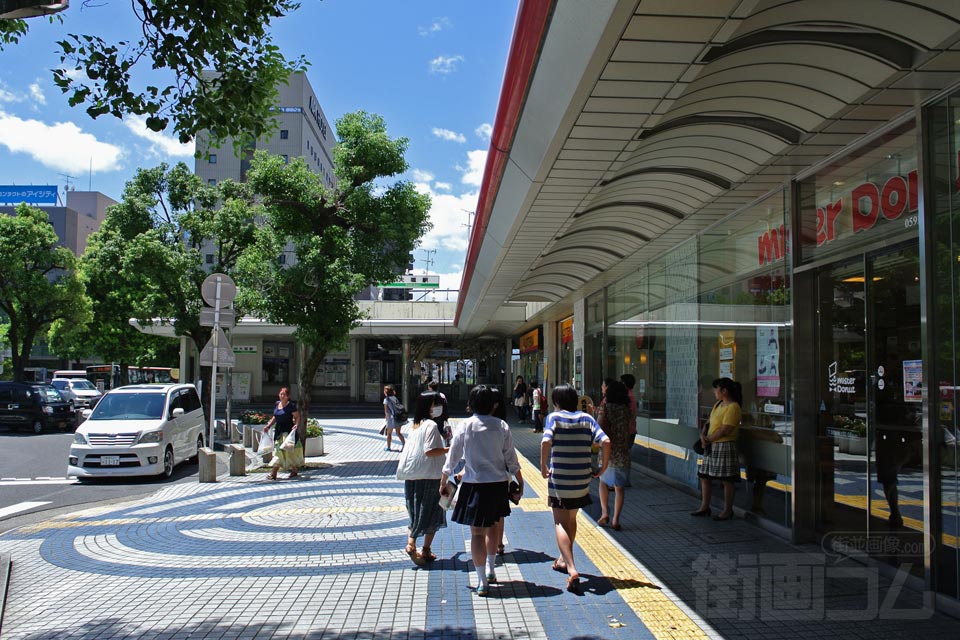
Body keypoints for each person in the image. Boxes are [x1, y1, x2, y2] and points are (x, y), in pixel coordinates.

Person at [441, 385, 523, 597]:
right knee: (494, 526)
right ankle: (491, 568)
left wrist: (444, 479)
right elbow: (511, 458)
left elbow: (453, 456)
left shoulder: (465, 425)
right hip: (497, 485)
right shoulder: (501, 426)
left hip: (473, 485)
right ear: (493, 404)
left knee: (477, 532)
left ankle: (481, 580)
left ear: (471, 404)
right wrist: (519, 481)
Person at [541, 383, 610, 595]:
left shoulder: (554, 417)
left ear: (557, 402)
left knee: (560, 522)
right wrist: (602, 468)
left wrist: (544, 466)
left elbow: (546, 440)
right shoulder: (587, 418)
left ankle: (571, 569)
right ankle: (563, 559)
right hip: (582, 479)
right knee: (571, 519)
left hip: (560, 479)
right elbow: (605, 441)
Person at [396, 392, 449, 566]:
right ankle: (417, 545)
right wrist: (449, 449)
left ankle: (420, 547)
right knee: (432, 511)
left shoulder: (415, 424)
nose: (438, 407)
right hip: (430, 475)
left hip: (412, 475)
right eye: (436, 404)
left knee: (416, 510)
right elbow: (429, 451)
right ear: (429, 406)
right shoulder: (431, 425)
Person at [691, 377, 743, 521]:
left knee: (727, 479)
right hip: (711, 445)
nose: (714, 391)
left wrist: (707, 440)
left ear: (724, 391)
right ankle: (705, 506)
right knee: (704, 476)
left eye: (716, 389)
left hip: (724, 445)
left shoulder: (733, 407)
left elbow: (725, 429)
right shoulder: (718, 404)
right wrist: (703, 435)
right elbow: (708, 422)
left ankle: (727, 510)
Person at [597, 379, 632, 530]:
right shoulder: (626, 410)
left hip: (607, 451)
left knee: (603, 482)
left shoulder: (606, 408)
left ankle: (605, 512)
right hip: (622, 451)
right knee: (619, 488)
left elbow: (599, 426)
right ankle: (616, 519)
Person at [264, 387, 301, 480]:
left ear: (288, 396)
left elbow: (297, 416)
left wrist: (296, 425)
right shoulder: (277, 404)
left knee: (281, 452)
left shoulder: (291, 406)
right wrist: (268, 426)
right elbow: (275, 417)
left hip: (288, 432)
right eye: (281, 394)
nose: (282, 396)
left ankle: (274, 473)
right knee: (281, 451)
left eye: (284, 394)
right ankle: (294, 470)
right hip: (278, 431)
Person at [619, 373, 638, 486]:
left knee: (624, 455)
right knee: (626, 455)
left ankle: (624, 480)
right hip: (631, 430)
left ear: (624, 384)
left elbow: (628, 416)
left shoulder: (628, 397)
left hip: (626, 431)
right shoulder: (631, 396)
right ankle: (625, 479)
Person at [382, 385, 406, 452]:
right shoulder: (395, 398)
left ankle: (388, 447)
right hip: (398, 417)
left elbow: (386, 411)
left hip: (391, 418)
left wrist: (386, 418)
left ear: (386, 392)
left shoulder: (386, 399)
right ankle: (404, 445)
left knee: (389, 433)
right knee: (398, 433)